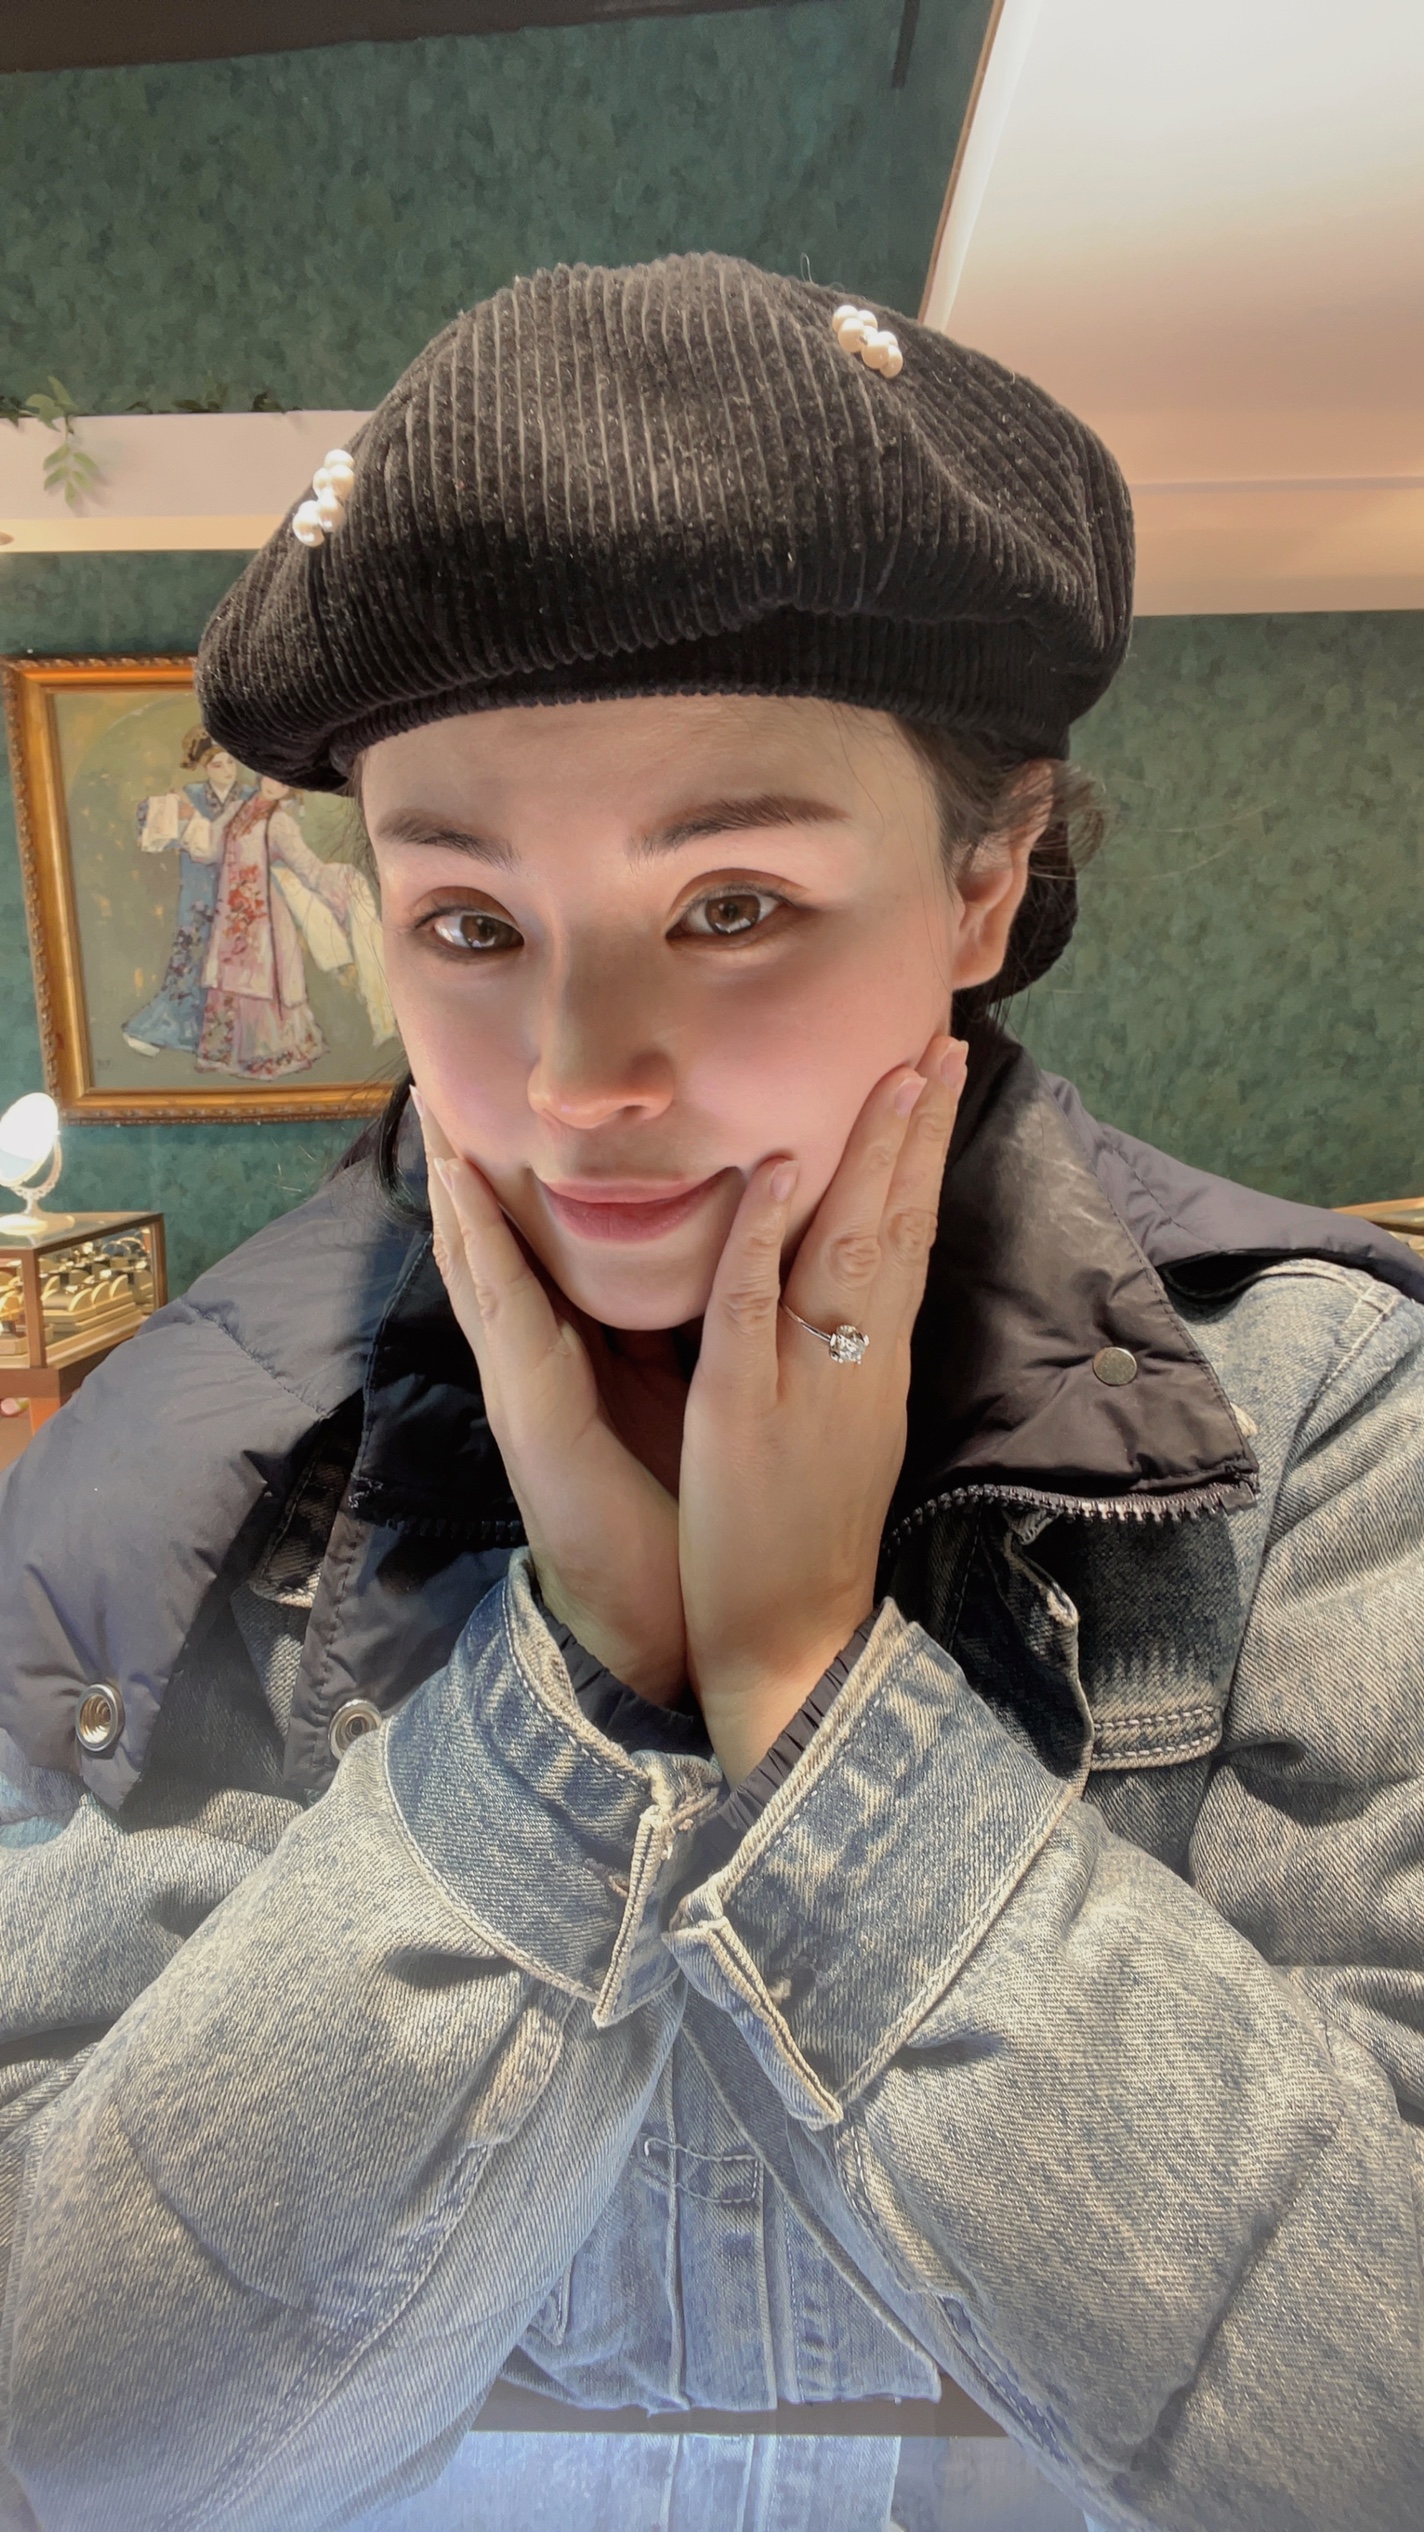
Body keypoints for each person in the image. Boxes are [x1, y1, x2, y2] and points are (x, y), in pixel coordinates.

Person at [1, 256, 1422, 2532]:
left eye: (732, 901)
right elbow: (78, 2422)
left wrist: (801, 1675)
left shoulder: (1313, 1412)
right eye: (471, 922)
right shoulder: (197, 1470)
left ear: (982, 881)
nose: (580, 1079)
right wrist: (565, 1688)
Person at [122, 727, 254, 1056]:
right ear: (204, 767)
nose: (226, 770)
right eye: (217, 765)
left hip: (242, 884)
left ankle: (235, 1034)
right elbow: (150, 820)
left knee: (237, 953)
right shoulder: (188, 795)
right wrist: (180, 818)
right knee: (195, 948)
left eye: (231, 763)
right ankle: (183, 1027)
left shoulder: (251, 795)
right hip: (200, 884)